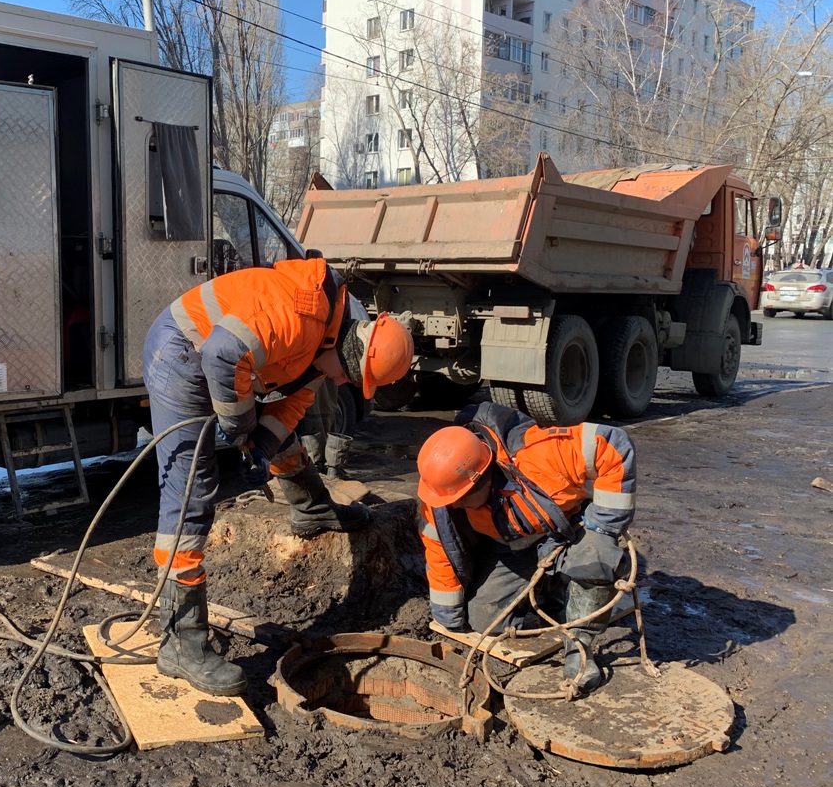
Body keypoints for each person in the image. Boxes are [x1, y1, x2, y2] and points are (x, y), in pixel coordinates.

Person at [143, 256, 414, 695]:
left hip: (221, 358)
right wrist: (240, 428)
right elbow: (221, 354)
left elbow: (291, 405)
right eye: (350, 376)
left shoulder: (325, 337)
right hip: (182, 351)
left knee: (280, 431)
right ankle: (181, 642)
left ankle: (312, 509)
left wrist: (262, 445)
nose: (344, 384)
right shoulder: (300, 314)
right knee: (191, 491)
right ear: (348, 352)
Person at [414, 401, 636, 692]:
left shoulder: (536, 454)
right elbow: (440, 551)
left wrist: (602, 528)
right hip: (513, 548)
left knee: (595, 557)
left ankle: (579, 649)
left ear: (481, 476)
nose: (454, 505)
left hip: (567, 532)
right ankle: (551, 587)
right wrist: (449, 618)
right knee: (484, 619)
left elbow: (612, 444)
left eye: (461, 498)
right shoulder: (442, 495)